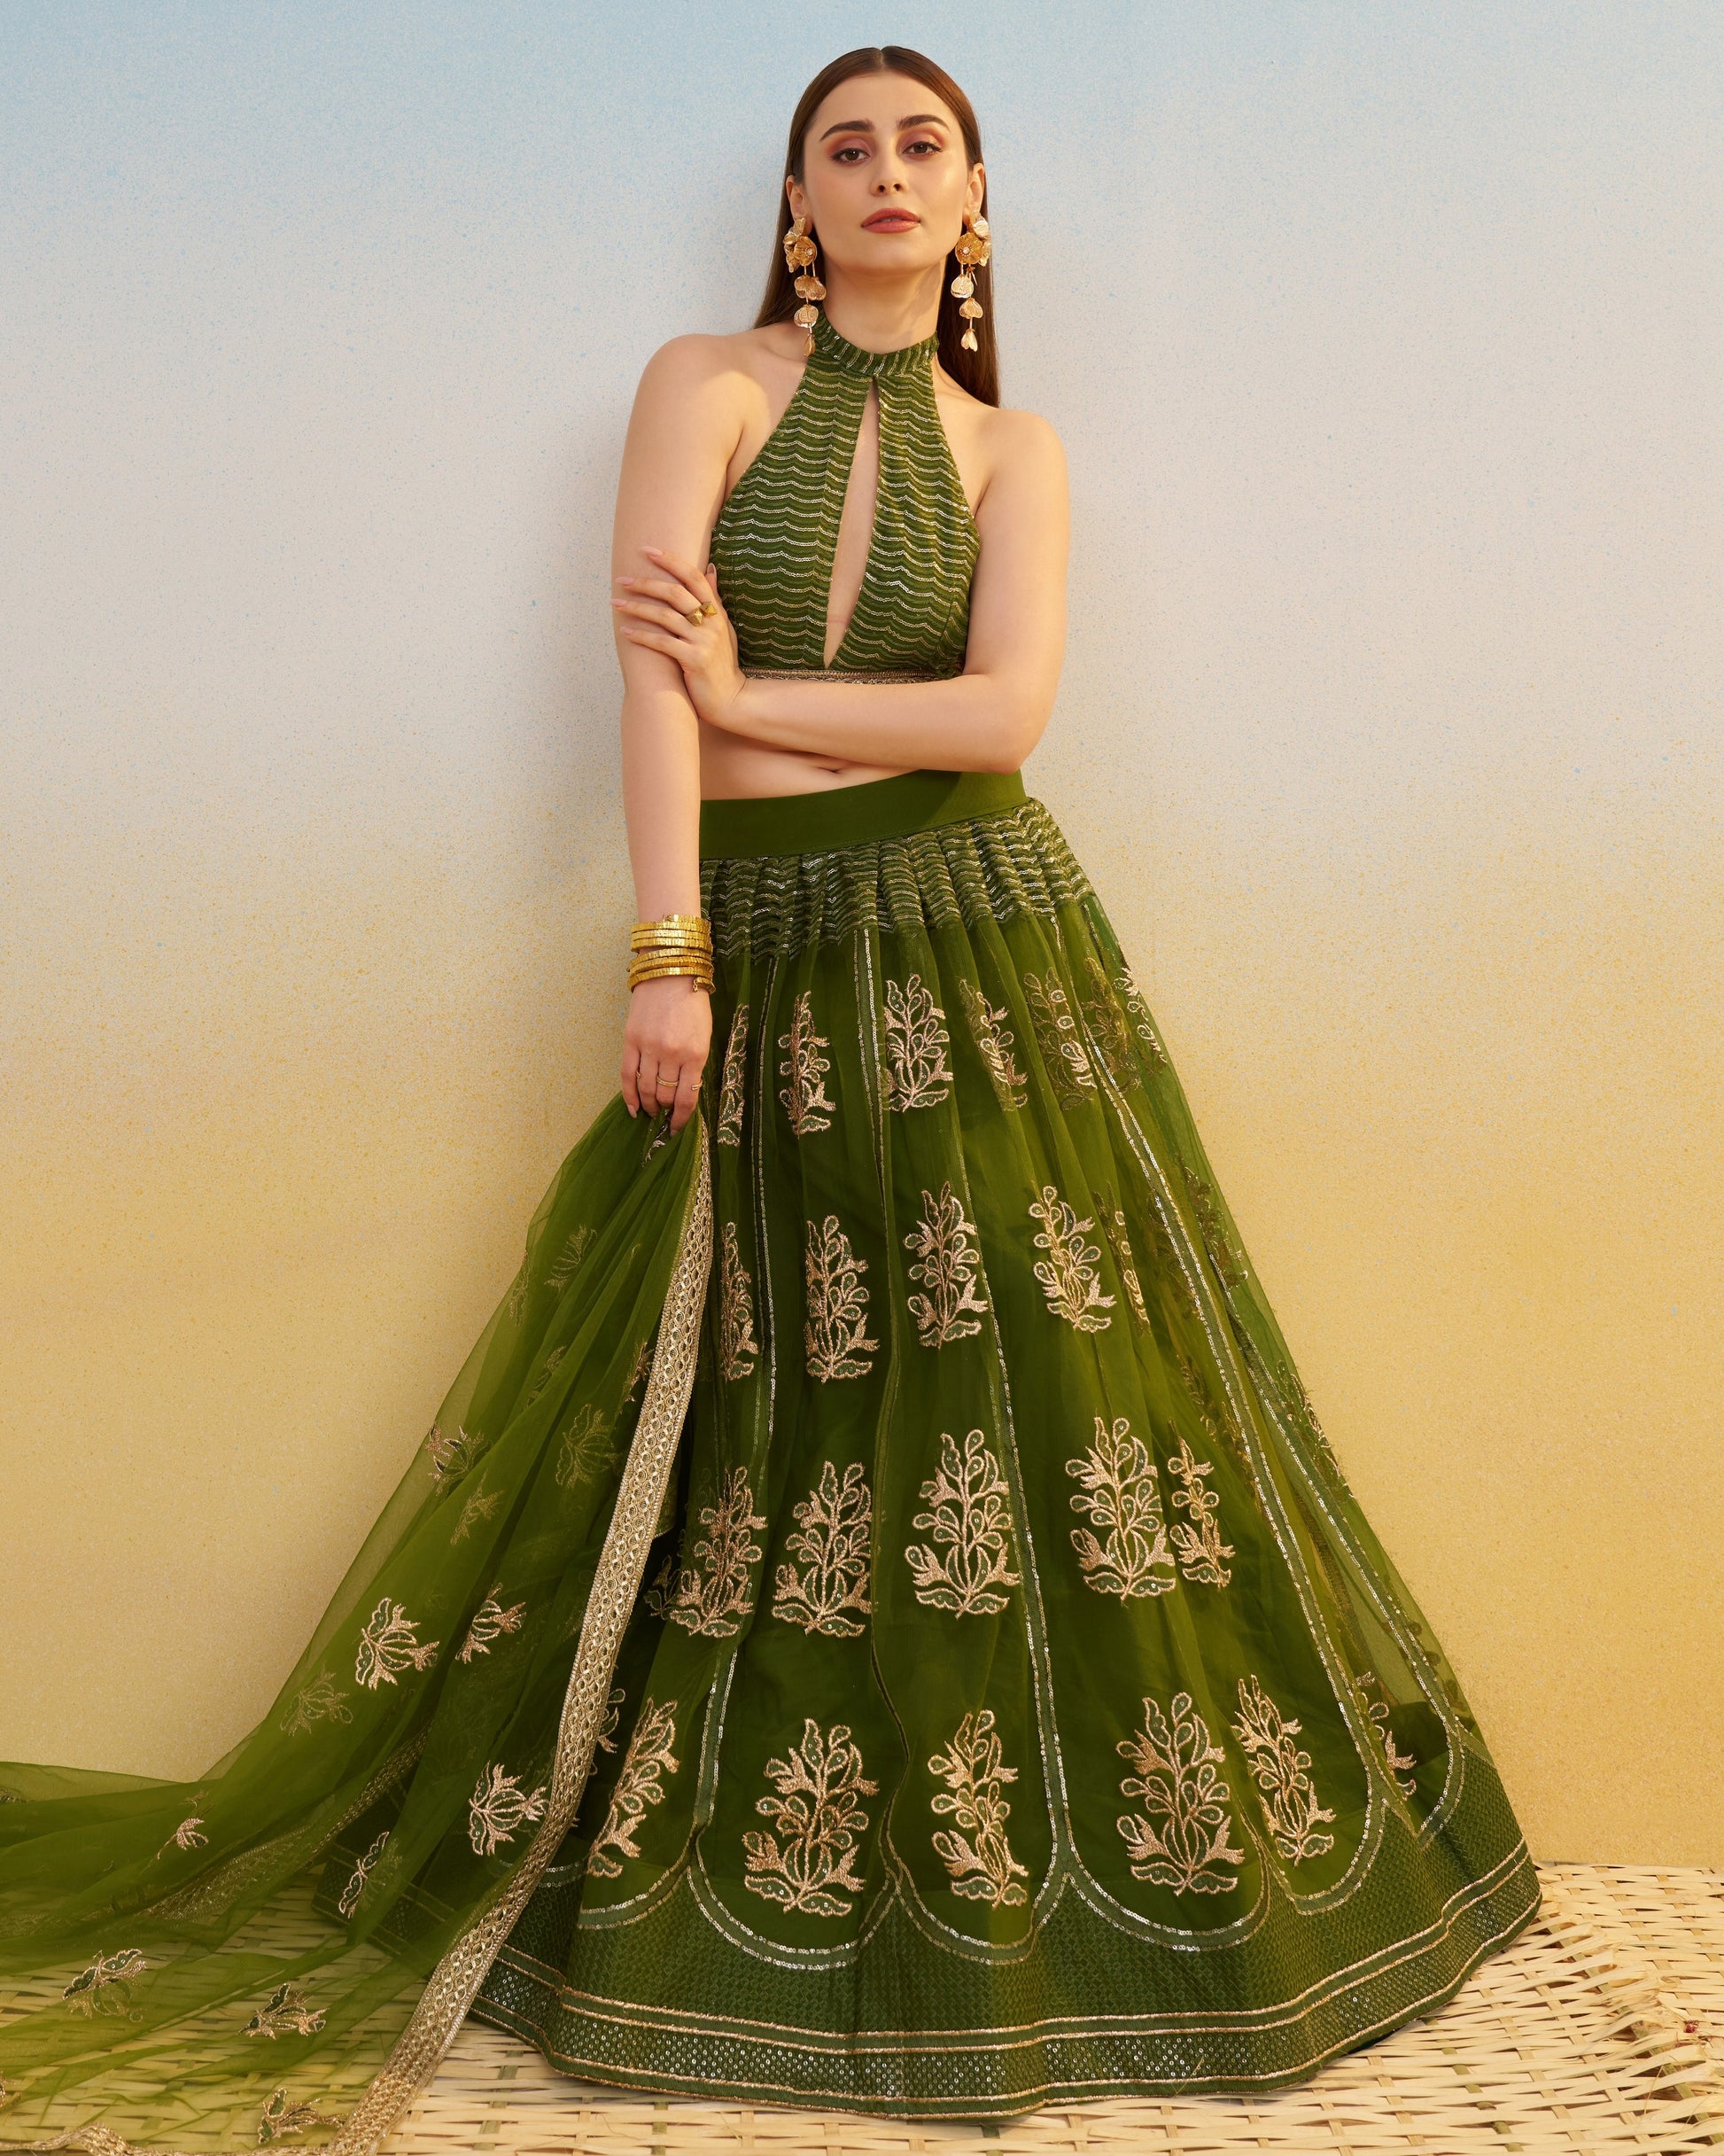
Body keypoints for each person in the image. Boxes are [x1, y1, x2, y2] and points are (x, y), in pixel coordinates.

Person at [0, 44, 1541, 2152]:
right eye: (847, 148)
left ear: (975, 197)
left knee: (1033, 1407)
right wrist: (668, 940)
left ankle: (1029, 1911)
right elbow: (667, 698)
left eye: (925, 146)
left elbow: (1007, 716)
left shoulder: (1020, 452)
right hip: (755, 945)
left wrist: (751, 695)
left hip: (986, 953)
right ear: (795, 203)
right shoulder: (702, 386)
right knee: (779, 1401)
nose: (888, 174)